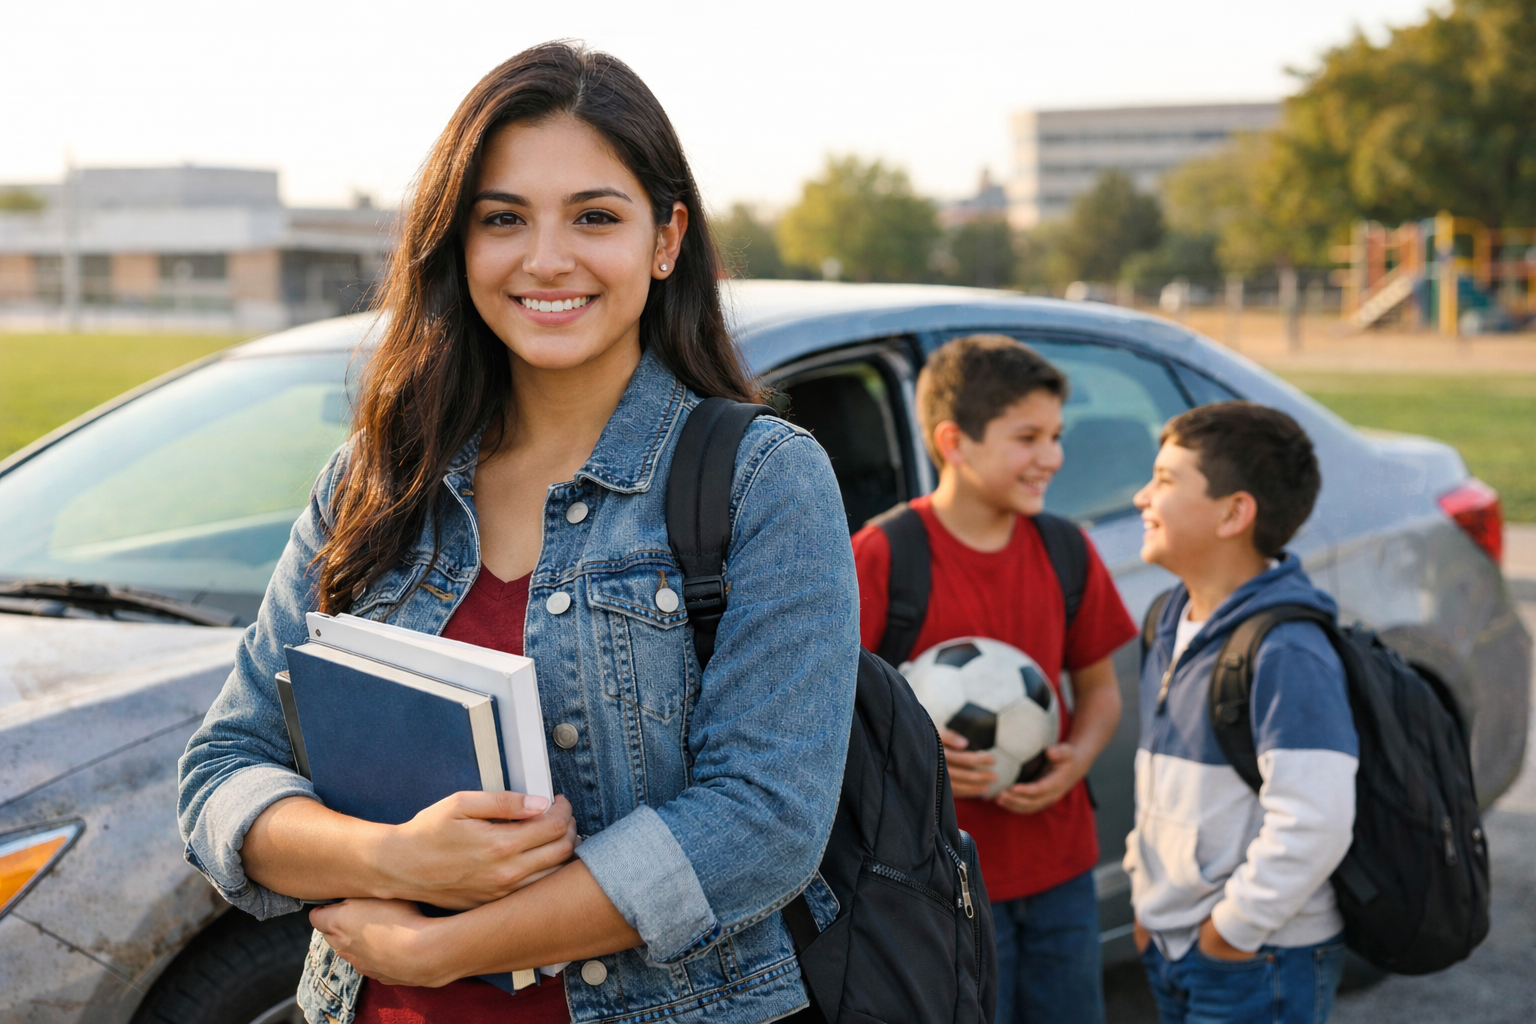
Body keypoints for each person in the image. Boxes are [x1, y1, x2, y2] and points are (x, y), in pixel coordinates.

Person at [177, 43, 858, 1024]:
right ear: (457, 241)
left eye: (595, 216)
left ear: (667, 240)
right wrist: (390, 856)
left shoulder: (763, 478)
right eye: (503, 218)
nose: (547, 258)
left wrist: (447, 943)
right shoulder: (375, 481)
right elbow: (222, 772)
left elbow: (764, 819)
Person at [851, 334, 1136, 1024]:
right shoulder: (884, 555)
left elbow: (1099, 692)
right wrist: (918, 752)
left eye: (1056, 435)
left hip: (1062, 870)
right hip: (940, 883)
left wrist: (1078, 761)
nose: (1053, 457)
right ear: (955, 440)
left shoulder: (1066, 548)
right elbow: (836, 713)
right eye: (1028, 437)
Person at [1127, 401, 1358, 1024]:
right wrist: (1145, 896)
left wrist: (1231, 930)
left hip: (1259, 956)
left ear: (1235, 512)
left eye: (1167, 481)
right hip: (1176, 940)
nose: (1141, 497)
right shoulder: (1171, 618)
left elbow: (1317, 820)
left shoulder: (1286, 649)